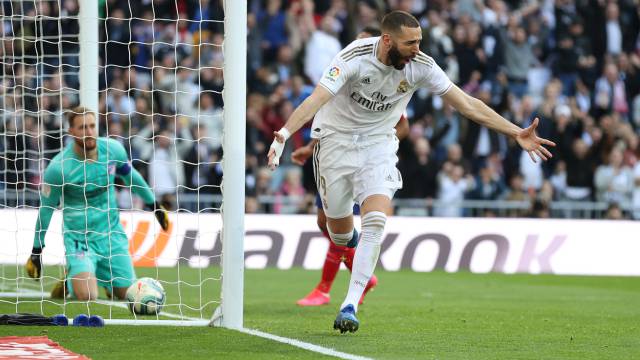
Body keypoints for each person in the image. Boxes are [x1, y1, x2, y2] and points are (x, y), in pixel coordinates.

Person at [268, 11, 554, 333]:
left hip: (378, 144)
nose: (417, 48)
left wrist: (515, 131)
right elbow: (316, 98)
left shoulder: (421, 65)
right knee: (339, 233)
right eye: (410, 42)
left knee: (376, 219)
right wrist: (284, 134)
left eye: (419, 41)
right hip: (335, 144)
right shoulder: (353, 57)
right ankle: (354, 243)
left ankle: (349, 304)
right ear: (387, 40)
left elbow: (466, 103)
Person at [292, 26, 410, 308]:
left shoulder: (382, 85)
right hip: (328, 154)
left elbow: (403, 125)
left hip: (361, 160)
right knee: (325, 223)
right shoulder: (345, 72)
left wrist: (377, 141)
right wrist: (310, 148)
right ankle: (359, 273)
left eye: (363, 43)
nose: (356, 49)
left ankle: (325, 288)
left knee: (341, 223)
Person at [26, 106, 169, 301]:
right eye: (82, 127)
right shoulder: (59, 168)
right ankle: (72, 276)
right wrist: (36, 251)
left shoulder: (113, 150)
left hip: (112, 235)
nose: (89, 132)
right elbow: (46, 210)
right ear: (71, 132)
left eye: (92, 126)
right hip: (79, 239)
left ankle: (107, 281)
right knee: (87, 296)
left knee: (130, 295)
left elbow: (132, 178)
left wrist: (155, 206)